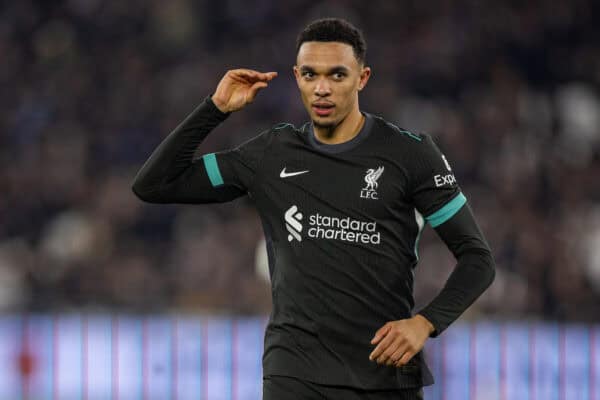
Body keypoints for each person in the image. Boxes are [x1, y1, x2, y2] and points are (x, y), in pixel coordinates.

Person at [132, 18, 495, 400]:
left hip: (384, 376)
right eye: (310, 75)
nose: (322, 88)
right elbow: (153, 184)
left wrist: (425, 323)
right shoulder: (270, 154)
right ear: (296, 77)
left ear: (362, 78)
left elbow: (477, 259)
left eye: (337, 75)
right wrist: (215, 108)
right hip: (294, 376)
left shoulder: (411, 155)